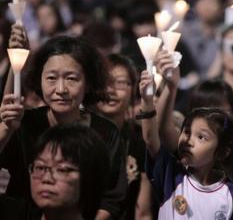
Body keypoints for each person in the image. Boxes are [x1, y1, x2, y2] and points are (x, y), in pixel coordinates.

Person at [0, 32, 126, 220]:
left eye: (71, 79)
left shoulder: (105, 132)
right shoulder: (23, 124)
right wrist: (6, 129)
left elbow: (111, 199)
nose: (61, 89)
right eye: (51, 78)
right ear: (39, 80)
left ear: (89, 83)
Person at [139, 70, 233, 219]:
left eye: (201, 137)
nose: (188, 141)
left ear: (222, 152)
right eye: (186, 132)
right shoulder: (171, 175)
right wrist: (147, 102)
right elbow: (151, 138)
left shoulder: (232, 193)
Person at [0, 123, 110, 220]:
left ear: (91, 177)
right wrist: (6, 127)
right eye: (40, 167)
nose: (47, 179)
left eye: (62, 170)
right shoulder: (15, 214)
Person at [95, 54, 152, 220]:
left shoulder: (140, 141)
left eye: (120, 83)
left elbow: (143, 211)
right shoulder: (80, 135)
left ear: (134, 90)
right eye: (104, 82)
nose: (111, 90)